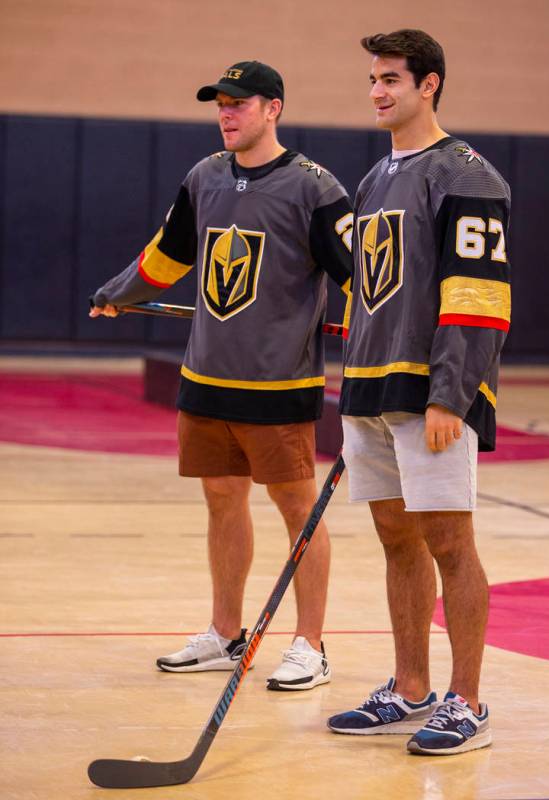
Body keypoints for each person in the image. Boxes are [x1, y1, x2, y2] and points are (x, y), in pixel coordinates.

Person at [90, 61, 353, 691]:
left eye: (239, 104)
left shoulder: (317, 189)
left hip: (279, 386)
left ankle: (309, 646)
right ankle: (225, 634)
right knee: (220, 501)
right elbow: (168, 253)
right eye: (220, 104)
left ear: (273, 109)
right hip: (206, 377)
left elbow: (361, 280)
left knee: (299, 511)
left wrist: (390, 339)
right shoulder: (204, 176)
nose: (227, 114)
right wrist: (120, 292)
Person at [327, 30, 511, 753]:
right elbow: (374, 295)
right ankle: (409, 688)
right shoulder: (375, 180)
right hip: (370, 392)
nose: (377, 92)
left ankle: (466, 703)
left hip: (432, 394)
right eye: (373, 79)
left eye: (391, 80)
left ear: (428, 85)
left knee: (449, 543)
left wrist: (449, 394)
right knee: (394, 540)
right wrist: (354, 395)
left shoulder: (467, 175)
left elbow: (479, 297)